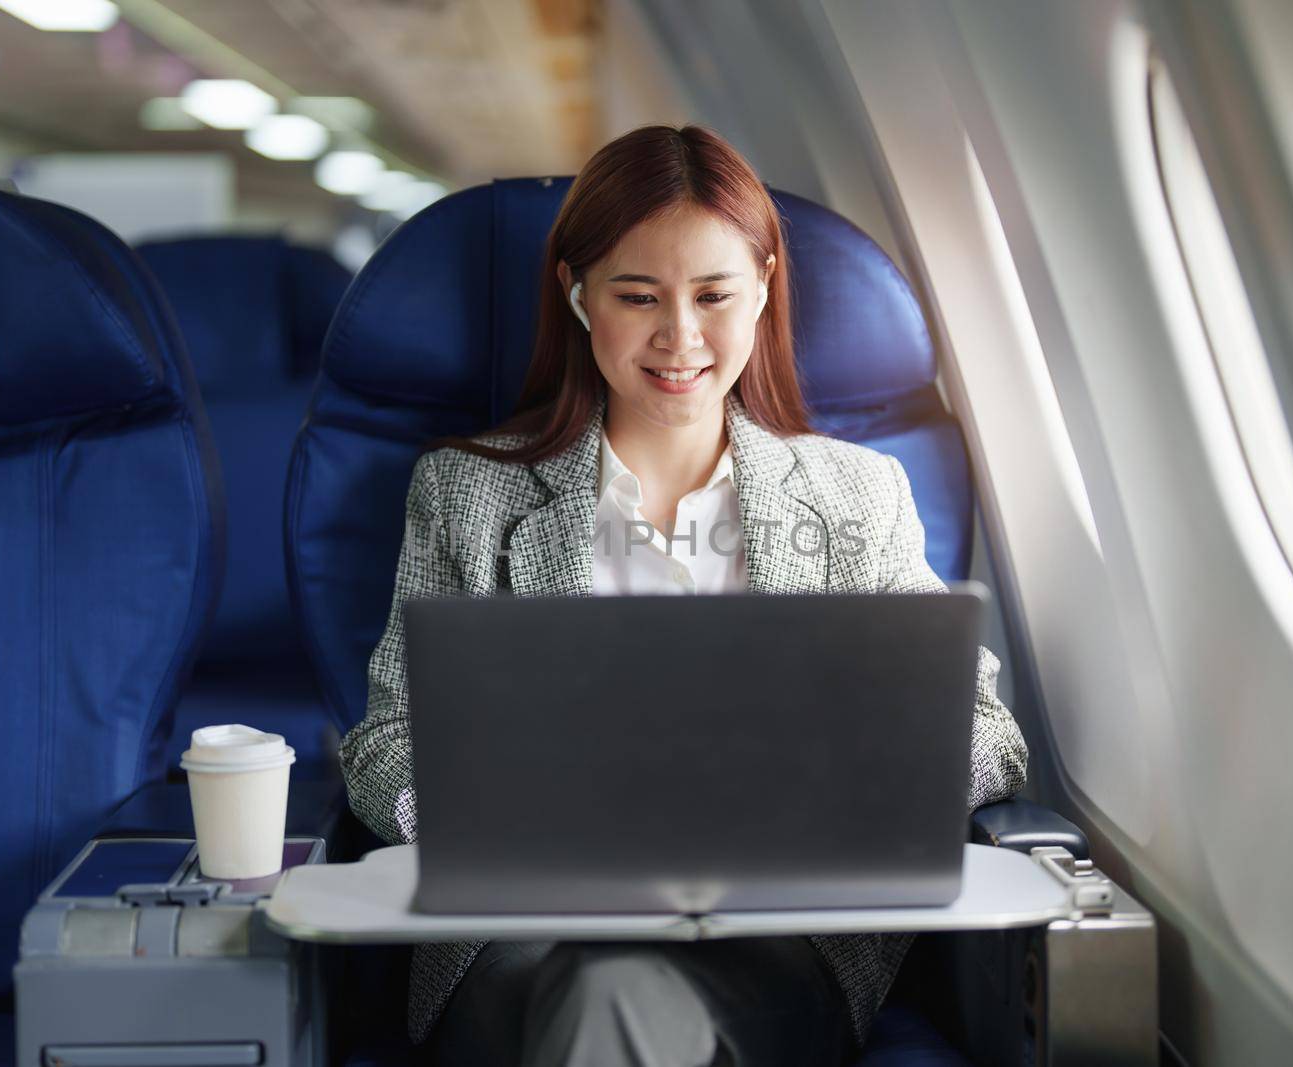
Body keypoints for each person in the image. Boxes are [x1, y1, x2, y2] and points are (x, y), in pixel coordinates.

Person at [339, 123, 1029, 1067]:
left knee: (626, 1006)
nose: (680, 338)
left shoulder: (856, 494)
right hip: (523, 935)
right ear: (576, 295)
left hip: (778, 935)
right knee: (606, 992)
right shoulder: (467, 492)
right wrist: (502, 839)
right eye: (637, 296)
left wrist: (849, 806)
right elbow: (386, 743)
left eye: (714, 295)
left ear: (765, 289)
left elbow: (987, 730)